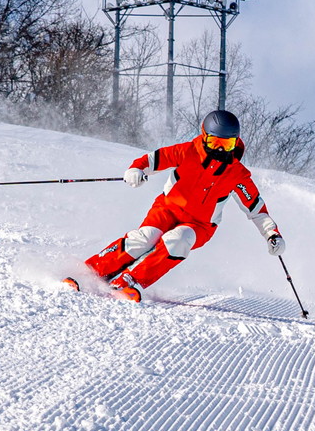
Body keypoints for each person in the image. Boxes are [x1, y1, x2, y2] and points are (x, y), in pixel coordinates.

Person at [77, 109, 285, 302]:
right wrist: (136, 169)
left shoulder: (237, 174)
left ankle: (130, 281)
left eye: (227, 144)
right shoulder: (188, 151)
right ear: (204, 136)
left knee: (178, 241)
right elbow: (152, 160)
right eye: (214, 142)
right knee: (145, 238)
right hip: (166, 209)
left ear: (236, 143)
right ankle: (90, 272)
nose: (220, 149)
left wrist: (272, 234)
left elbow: (256, 210)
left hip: (199, 225)